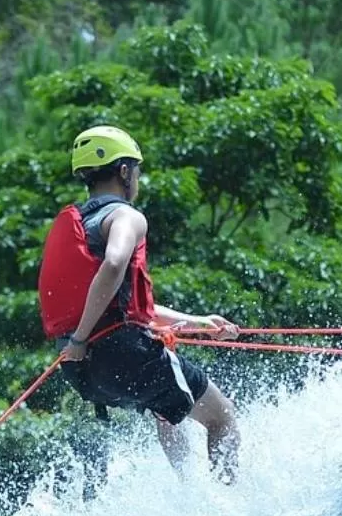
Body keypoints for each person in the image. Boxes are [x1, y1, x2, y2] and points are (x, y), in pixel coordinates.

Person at [37, 125, 242, 479]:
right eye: (137, 169)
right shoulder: (126, 216)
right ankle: (227, 501)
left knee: (165, 403)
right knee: (222, 418)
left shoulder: (82, 225)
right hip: (117, 353)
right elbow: (115, 264)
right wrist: (82, 337)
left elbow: (123, 306)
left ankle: (190, 496)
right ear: (124, 171)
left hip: (83, 372)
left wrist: (199, 322)